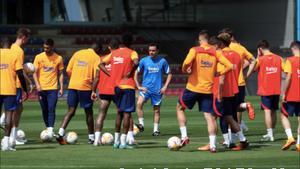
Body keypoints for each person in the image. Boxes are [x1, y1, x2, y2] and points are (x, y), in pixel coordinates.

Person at [177, 30, 233, 153]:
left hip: (193, 87)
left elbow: (186, 63)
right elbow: (230, 66)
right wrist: (219, 73)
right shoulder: (216, 52)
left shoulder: (194, 50)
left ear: (200, 39)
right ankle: (213, 145)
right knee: (210, 117)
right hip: (207, 90)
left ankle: (184, 136)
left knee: (180, 108)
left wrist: (185, 69)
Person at [56, 42, 102, 144]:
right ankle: (91, 138)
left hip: (73, 85)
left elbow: (68, 70)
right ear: (98, 50)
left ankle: (60, 133)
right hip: (85, 87)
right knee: (88, 112)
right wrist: (94, 90)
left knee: (71, 110)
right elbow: (96, 76)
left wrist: (76, 78)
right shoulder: (96, 57)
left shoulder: (78, 53)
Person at [100, 33, 139, 149]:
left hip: (116, 87)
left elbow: (101, 64)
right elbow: (136, 62)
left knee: (119, 112)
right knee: (127, 114)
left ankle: (116, 141)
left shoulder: (114, 53)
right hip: (127, 86)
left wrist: (110, 74)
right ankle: (123, 142)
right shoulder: (132, 52)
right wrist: (131, 72)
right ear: (131, 42)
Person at [210, 34, 249, 151]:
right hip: (234, 88)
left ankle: (223, 142)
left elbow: (221, 77)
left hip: (222, 90)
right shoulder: (237, 55)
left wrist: (219, 93)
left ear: (219, 44)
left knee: (216, 116)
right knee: (230, 116)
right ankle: (233, 140)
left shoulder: (220, 55)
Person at [219, 28, 256, 133]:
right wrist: (246, 76)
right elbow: (253, 61)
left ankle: (230, 137)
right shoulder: (241, 48)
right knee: (236, 107)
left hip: (228, 83)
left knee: (227, 110)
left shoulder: (223, 49)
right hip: (240, 82)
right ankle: (245, 106)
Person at [246, 40, 284, 142]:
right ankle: (272, 132)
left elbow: (253, 68)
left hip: (265, 90)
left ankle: (269, 134)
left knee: (267, 111)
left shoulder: (260, 59)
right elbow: (285, 70)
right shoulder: (279, 58)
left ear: (260, 49)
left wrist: (258, 56)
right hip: (276, 89)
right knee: (273, 111)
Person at [135, 43, 172, 136]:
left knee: (156, 111)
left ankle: (156, 130)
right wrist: (138, 86)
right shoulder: (144, 60)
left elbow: (169, 74)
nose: (151, 52)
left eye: (153, 50)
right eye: (150, 50)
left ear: (157, 51)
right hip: (145, 89)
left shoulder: (162, 61)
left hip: (157, 90)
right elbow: (135, 73)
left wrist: (165, 86)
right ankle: (141, 125)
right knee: (139, 104)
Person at [0, 38, 28, 151]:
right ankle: (6, 143)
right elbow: (20, 74)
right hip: (10, 89)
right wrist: (25, 89)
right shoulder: (14, 55)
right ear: (10, 45)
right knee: (9, 115)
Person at [33, 39, 64, 136]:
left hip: (53, 88)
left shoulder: (58, 58)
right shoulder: (38, 57)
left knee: (51, 108)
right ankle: (48, 127)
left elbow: (61, 73)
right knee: (44, 109)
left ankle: (50, 130)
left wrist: (61, 87)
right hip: (41, 88)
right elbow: (34, 72)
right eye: (44, 47)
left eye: (47, 47)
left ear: (52, 47)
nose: (45, 49)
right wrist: (37, 85)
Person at [92, 39, 119, 146]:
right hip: (116, 90)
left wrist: (93, 91)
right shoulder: (118, 60)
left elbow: (97, 77)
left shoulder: (100, 60)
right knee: (123, 113)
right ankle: (123, 138)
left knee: (101, 114)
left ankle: (96, 140)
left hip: (104, 90)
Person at [9, 28, 31, 145]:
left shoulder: (11, 48)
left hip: (9, 82)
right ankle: (13, 138)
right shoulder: (19, 51)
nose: (27, 41)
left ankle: (13, 135)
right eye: (27, 39)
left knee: (18, 109)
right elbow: (20, 71)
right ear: (23, 37)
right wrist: (26, 86)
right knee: (16, 110)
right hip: (16, 84)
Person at [280, 41, 300, 151]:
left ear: (293, 49)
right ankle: (299, 143)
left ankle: (290, 137)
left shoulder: (290, 60)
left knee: (283, 115)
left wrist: (284, 92)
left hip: (292, 94)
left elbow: (288, 77)